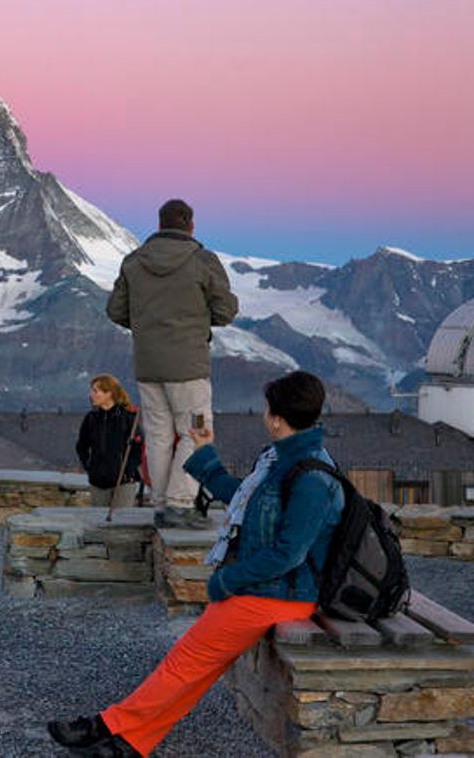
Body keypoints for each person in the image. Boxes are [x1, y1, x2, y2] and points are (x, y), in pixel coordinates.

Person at [47, 371, 345, 758]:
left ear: (275, 418)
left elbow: (289, 553)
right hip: (272, 587)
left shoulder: (309, 475)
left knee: (185, 663)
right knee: (192, 668)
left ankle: (109, 726)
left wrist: (229, 580)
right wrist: (204, 454)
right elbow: (246, 500)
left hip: (283, 592)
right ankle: (128, 743)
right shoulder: (283, 460)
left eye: (268, 408)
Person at [106, 198, 238, 528]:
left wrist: (148, 326)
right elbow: (226, 311)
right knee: (196, 431)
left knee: (159, 436)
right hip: (189, 369)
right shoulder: (202, 261)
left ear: (160, 224)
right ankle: (180, 503)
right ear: (191, 226)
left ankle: (162, 503)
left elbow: (115, 310)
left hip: (149, 368)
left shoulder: (134, 262)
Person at [75, 374, 143, 509]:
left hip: (123, 482)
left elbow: (138, 448)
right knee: (99, 522)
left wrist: (128, 472)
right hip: (98, 482)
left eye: (96, 391)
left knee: (121, 522)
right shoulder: (91, 419)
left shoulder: (128, 418)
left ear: (109, 393)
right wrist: (90, 468)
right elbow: (81, 446)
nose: (91, 395)